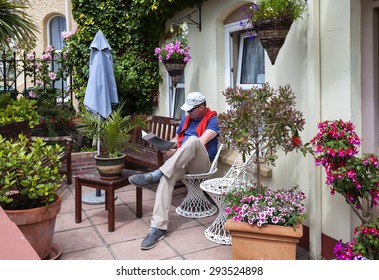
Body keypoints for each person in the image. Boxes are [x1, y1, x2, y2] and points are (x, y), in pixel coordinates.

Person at [128, 91, 220, 250]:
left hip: (201, 163)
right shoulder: (187, 119)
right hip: (182, 162)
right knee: (166, 178)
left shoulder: (213, 120)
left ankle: (154, 174)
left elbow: (201, 142)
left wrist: (175, 152)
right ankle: (158, 228)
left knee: (192, 140)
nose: (188, 113)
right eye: (187, 110)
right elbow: (176, 140)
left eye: (191, 110)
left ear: (202, 107)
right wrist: (163, 144)